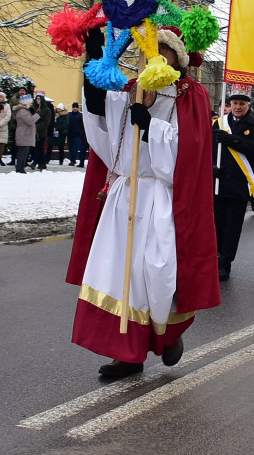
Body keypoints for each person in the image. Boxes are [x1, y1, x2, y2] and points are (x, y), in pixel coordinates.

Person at [66, 27, 219, 379]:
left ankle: (168, 334)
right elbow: (102, 124)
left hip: (160, 197)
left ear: (177, 58)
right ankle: (127, 353)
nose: (153, 55)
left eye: (163, 49)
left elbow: (190, 150)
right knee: (117, 275)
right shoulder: (130, 88)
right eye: (149, 48)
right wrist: (94, 61)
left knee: (155, 274)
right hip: (124, 195)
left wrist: (151, 127)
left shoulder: (188, 93)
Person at [212, 84, 254, 281]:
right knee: (216, 224)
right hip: (218, 183)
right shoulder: (219, 123)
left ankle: (225, 263)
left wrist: (231, 140)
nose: (237, 107)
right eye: (234, 103)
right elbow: (208, 149)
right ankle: (214, 258)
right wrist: (211, 167)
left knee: (232, 227)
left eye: (242, 104)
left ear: (248, 105)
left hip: (239, 184)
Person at [11, 94, 38, 173]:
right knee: (22, 153)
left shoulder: (24, 111)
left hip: (25, 134)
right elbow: (30, 121)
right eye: (30, 102)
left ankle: (21, 168)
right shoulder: (22, 111)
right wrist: (37, 115)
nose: (31, 104)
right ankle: (20, 168)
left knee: (24, 153)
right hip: (24, 134)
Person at [33, 91, 52, 170]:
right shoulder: (34, 108)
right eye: (37, 98)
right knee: (36, 148)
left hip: (42, 132)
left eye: (39, 99)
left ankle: (41, 163)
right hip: (33, 131)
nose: (38, 100)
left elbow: (46, 122)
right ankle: (40, 163)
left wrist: (36, 126)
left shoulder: (46, 110)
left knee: (40, 148)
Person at [67, 102, 87, 166]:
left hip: (78, 134)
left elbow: (83, 124)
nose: (75, 108)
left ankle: (73, 160)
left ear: (78, 108)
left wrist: (82, 132)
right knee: (71, 148)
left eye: (76, 107)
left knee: (75, 148)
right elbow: (67, 123)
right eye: (74, 107)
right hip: (70, 134)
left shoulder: (80, 115)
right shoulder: (69, 115)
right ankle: (72, 160)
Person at [0, 92, 11, 166]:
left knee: (1, 143)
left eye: (1, 97)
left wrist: (0, 123)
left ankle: (0, 157)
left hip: (3, 127)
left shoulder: (7, 106)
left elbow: (8, 116)